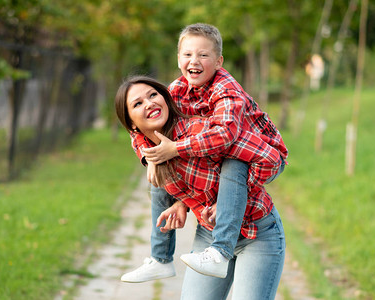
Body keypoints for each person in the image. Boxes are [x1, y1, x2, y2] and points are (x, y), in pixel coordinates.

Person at [120, 23, 288, 282]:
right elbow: (138, 126)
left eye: (203, 55)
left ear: (219, 61)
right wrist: (150, 156)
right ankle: (161, 258)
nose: (194, 61)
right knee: (160, 176)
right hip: (213, 209)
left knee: (233, 162)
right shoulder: (174, 91)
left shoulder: (227, 90)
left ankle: (220, 252)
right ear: (178, 59)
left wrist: (174, 148)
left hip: (262, 151)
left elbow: (225, 136)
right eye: (187, 54)